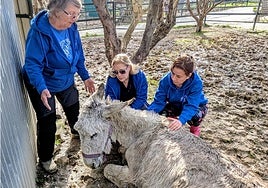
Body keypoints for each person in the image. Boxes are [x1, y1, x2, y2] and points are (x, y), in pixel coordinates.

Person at [22, 0, 95, 173]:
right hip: (41, 82)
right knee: (47, 120)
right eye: (71, 13)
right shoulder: (39, 33)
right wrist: (41, 88)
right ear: (56, 11)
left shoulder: (71, 27)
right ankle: (46, 160)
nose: (75, 18)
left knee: (73, 106)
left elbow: (78, 53)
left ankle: (76, 132)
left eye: (77, 14)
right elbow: (32, 65)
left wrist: (85, 76)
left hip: (65, 78)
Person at [148, 54, 208, 136]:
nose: (173, 78)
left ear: (188, 75)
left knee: (195, 116)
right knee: (161, 113)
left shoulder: (196, 83)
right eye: (172, 73)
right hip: (175, 104)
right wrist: (147, 113)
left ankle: (194, 128)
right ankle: (173, 121)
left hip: (196, 105)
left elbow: (191, 105)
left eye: (178, 76)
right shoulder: (165, 81)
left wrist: (181, 121)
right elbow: (159, 101)